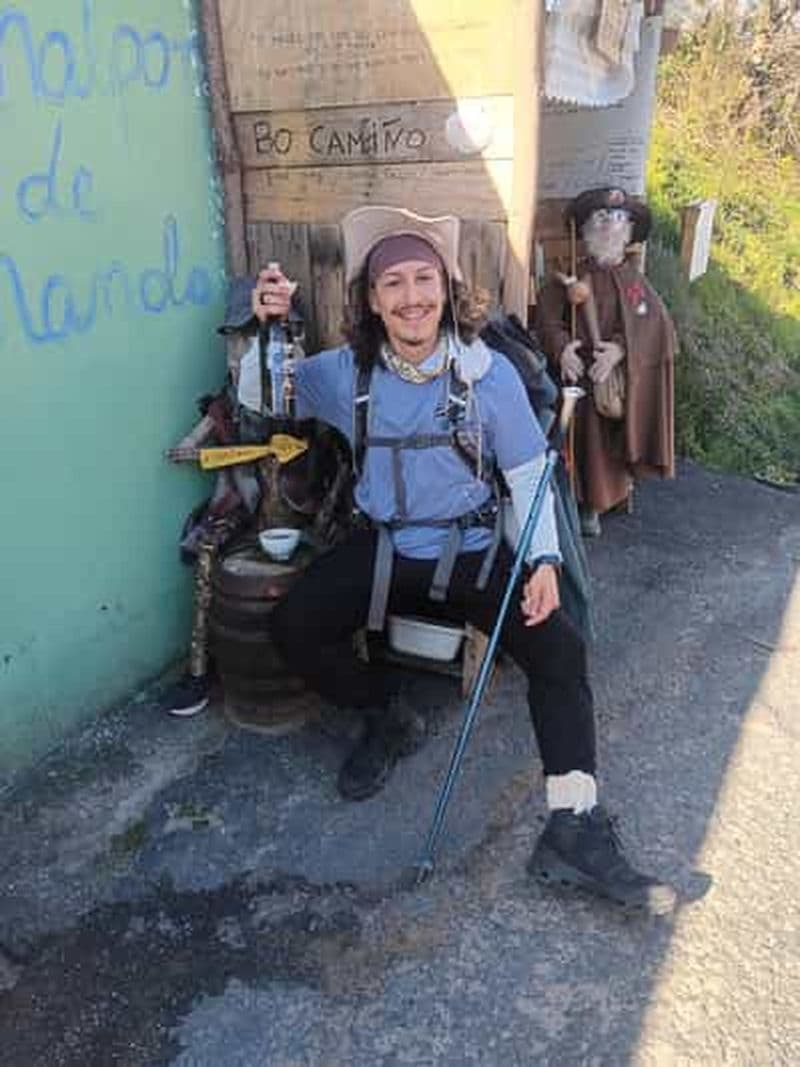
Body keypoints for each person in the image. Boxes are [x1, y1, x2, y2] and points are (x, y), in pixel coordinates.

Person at [245, 205, 675, 914]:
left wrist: (541, 562)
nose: (411, 296)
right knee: (293, 626)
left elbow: (530, 474)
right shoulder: (338, 374)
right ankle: (385, 713)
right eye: (393, 283)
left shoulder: (489, 376)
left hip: (473, 551)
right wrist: (272, 328)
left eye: (424, 278)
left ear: (447, 287)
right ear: (371, 299)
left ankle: (572, 825)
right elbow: (265, 400)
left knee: (561, 653)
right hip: (386, 549)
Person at [535, 187, 676, 537]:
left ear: (628, 231)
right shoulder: (567, 277)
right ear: (584, 230)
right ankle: (572, 498)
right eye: (600, 218)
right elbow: (547, 319)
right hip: (573, 377)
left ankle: (599, 501)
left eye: (617, 219)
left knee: (607, 426)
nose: (609, 226)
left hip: (614, 382)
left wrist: (619, 351)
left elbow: (654, 325)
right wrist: (563, 349)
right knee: (571, 421)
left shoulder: (633, 284)